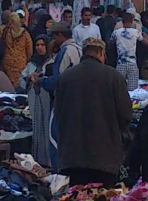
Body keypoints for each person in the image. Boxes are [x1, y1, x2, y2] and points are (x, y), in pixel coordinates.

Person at [51, 37, 130, 185]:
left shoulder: (66, 77)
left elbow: (58, 114)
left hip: (72, 157)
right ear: (101, 53)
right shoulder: (114, 77)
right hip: (105, 157)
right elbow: (125, 115)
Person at [19, 35, 57, 169]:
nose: (40, 48)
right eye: (37, 45)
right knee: (37, 128)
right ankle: (37, 160)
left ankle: (49, 161)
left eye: (42, 45)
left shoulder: (52, 62)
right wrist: (30, 77)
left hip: (47, 99)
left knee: (47, 128)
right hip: (34, 99)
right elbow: (21, 80)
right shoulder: (31, 64)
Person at [111, 12, 145, 89]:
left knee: (118, 87)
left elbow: (110, 42)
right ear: (132, 21)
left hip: (120, 63)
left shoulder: (116, 32)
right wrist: (145, 36)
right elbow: (145, 43)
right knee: (133, 89)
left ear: (122, 21)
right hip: (132, 63)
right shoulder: (136, 32)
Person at [0, 11, 33, 81]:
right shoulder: (25, 34)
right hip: (21, 64)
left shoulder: (6, 32)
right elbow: (30, 50)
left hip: (7, 63)